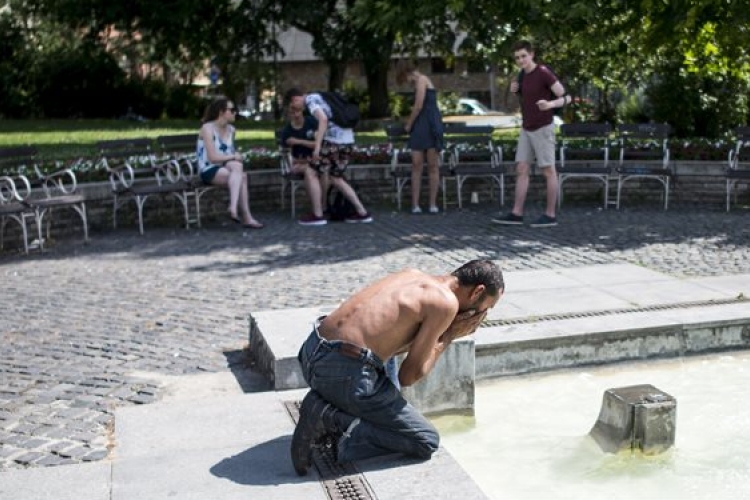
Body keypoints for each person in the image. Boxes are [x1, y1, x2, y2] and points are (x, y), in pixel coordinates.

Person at [290, 259, 505, 476]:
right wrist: (449, 335)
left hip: (312, 352)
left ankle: (334, 410)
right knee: (425, 440)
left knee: (388, 373)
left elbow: (390, 341)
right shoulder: (445, 303)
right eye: (487, 307)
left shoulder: (413, 274)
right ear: (477, 292)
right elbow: (408, 376)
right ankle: (330, 419)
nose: (482, 315)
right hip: (343, 373)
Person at [494, 40, 571, 228]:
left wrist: (550, 104)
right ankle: (516, 213)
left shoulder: (543, 72)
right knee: (521, 168)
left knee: (548, 170)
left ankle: (550, 215)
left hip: (543, 127)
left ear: (532, 55)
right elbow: (526, 98)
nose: (521, 60)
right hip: (526, 128)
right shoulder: (521, 76)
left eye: (523, 56)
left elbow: (566, 97)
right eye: (517, 58)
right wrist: (515, 90)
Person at [283, 88, 372, 224]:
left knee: (312, 171)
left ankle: (318, 215)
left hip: (333, 142)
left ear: (296, 99)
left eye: (293, 105)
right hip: (348, 141)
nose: (295, 108)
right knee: (336, 177)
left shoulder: (311, 100)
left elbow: (323, 119)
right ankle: (362, 213)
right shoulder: (321, 96)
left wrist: (318, 147)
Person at [197, 97, 263, 229]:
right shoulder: (207, 128)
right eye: (232, 110)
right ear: (221, 112)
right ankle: (245, 216)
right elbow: (212, 157)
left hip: (225, 167)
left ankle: (233, 208)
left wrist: (235, 157)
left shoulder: (231, 129)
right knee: (241, 176)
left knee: (238, 168)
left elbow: (228, 153)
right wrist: (234, 156)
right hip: (208, 169)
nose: (235, 113)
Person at [396, 61, 445, 214]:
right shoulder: (418, 82)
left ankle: (432, 204)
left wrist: (409, 124)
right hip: (421, 126)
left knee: (432, 166)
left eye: (404, 79)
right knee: (416, 165)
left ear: (407, 73)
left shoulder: (422, 80)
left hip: (429, 124)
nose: (406, 82)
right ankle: (415, 204)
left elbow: (419, 105)